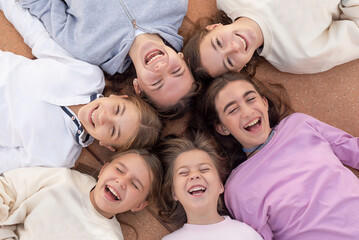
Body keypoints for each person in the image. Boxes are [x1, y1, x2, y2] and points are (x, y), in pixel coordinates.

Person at [0, 1, 161, 173]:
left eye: (113, 130)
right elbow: (38, 38)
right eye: (117, 109)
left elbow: (6, 162)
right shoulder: (88, 75)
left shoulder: (61, 157)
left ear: (108, 146)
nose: (104, 117)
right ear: (119, 97)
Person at [200, 72, 359, 240]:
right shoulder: (238, 188)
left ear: (264, 103)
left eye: (251, 99)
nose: (247, 112)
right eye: (233, 110)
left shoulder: (299, 124)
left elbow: (352, 149)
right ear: (222, 128)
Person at [13, 0, 197, 116]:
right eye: (176, 70)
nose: (162, 69)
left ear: (138, 87)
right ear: (182, 58)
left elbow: (45, 6)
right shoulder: (174, 5)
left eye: (157, 83)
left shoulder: (88, 49)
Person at [0, 149, 163, 239]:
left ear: (139, 205)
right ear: (103, 170)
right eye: (119, 170)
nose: (122, 181)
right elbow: (7, 188)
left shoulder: (109, 237)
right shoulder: (62, 179)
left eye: (135, 184)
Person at [183, 0, 359, 80]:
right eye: (229, 61)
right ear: (239, 68)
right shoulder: (297, 56)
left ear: (214, 28)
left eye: (218, 43)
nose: (234, 47)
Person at [156, 132, 263, 240]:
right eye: (184, 172)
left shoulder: (245, 234)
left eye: (204, 169)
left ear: (220, 185)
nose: (194, 175)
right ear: (174, 193)